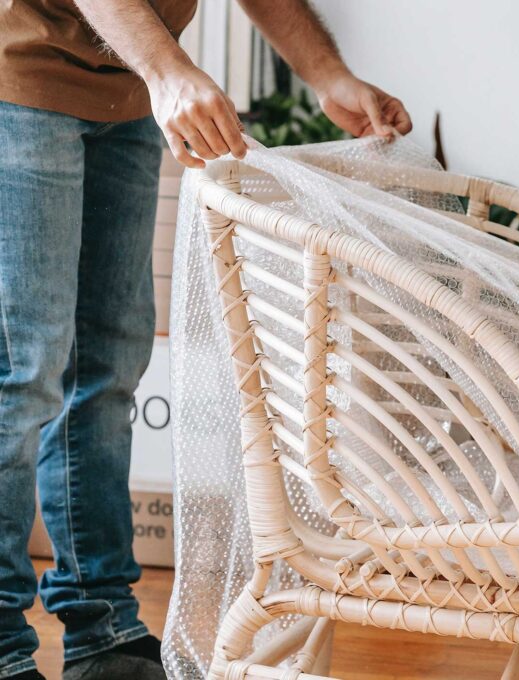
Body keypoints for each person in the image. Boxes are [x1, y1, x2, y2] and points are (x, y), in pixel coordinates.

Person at [0, 2, 410, 678]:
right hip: (20, 83)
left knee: (108, 366)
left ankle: (101, 623)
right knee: (23, 370)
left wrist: (326, 73)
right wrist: (168, 70)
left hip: (127, 93)